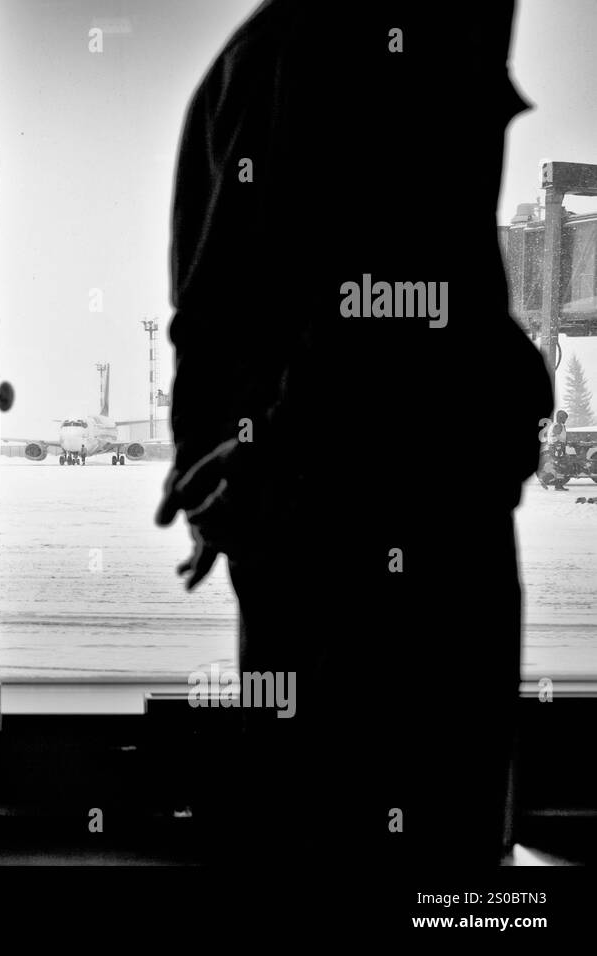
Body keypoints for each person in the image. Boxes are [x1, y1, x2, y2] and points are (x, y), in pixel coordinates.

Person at [155, 0, 554, 866]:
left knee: (316, 818)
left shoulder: (255, 62)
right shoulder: (381, 50)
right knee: (432, 845)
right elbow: (393, 310)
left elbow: (215, 316)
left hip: (316, 525)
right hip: (406, 520)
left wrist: (230, 458)